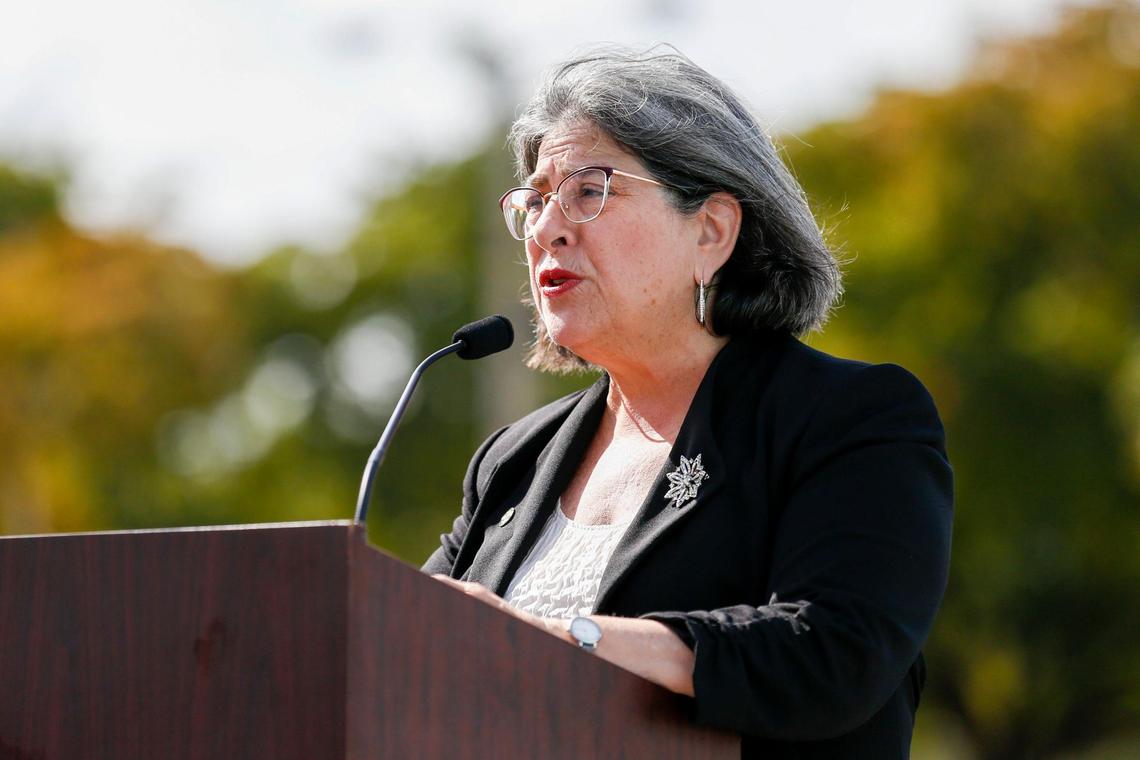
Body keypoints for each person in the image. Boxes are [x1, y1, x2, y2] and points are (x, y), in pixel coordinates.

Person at [424, 46, 953, 759]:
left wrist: (572, 641)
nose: (548, 227)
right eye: (537, 199)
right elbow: (408, 648)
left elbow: (836, 653)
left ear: (711, 231)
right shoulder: (512, 463)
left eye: (588, 190)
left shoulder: (846, 419)